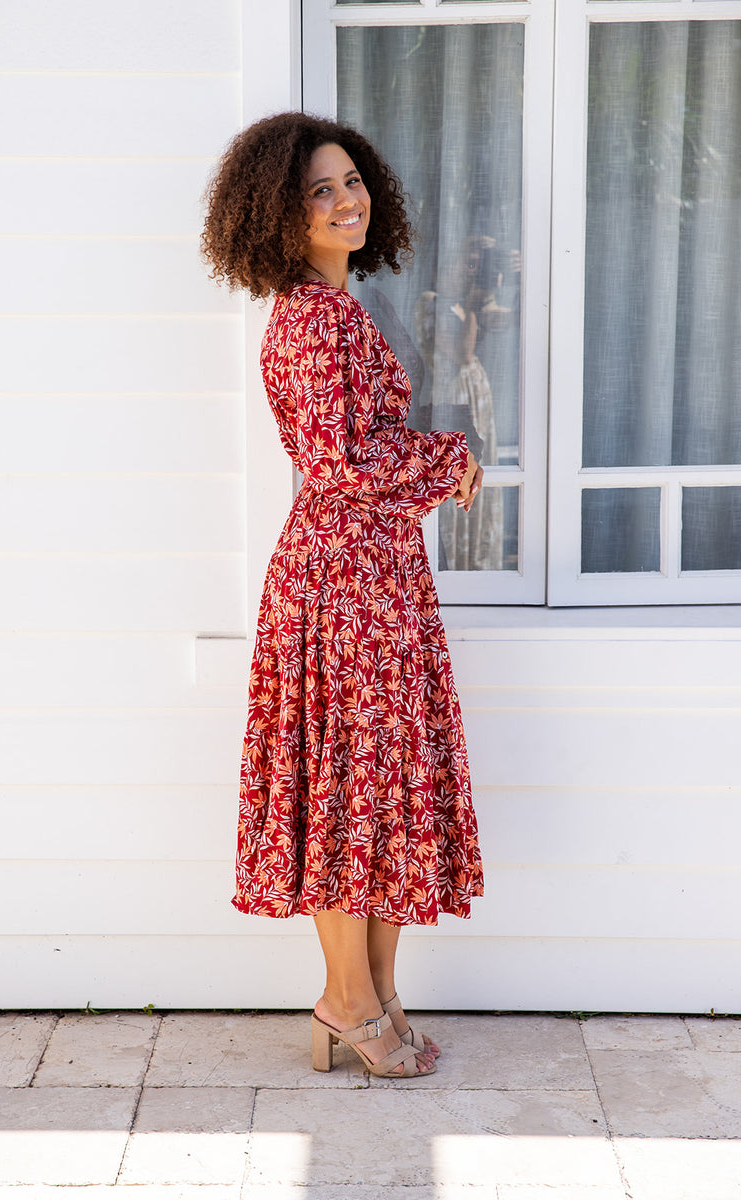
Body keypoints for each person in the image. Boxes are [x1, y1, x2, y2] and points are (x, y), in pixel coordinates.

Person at [201, 112, 484, 1079]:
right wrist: (446, 459)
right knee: (352, 792)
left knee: (377, 790)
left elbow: (357, 455)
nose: (344, 200)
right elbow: (341, 464)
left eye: (351, 180)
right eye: (318, 190)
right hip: (344, 584)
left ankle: (377, 997)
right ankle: (349, 1001)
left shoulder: (335, 306)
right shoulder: (315, 317)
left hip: (370, 573)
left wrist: (430, 464)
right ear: (278, 212)